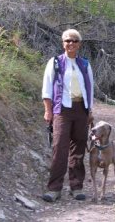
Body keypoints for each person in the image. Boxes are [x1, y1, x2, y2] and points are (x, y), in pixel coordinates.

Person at [41, 29, 94, 202]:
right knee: (59, 148)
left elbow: (90, 89)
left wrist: (90, 111)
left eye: (74, 41)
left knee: (78, 148)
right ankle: (54, 189)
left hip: (81, 110)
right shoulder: (55, 62)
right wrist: (48, 110)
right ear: (63, 43)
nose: (70, 43)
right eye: (67, 41)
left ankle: (76, 186)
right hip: (62, 110)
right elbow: (47, 88)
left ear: (79, 44)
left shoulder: (85, 64)